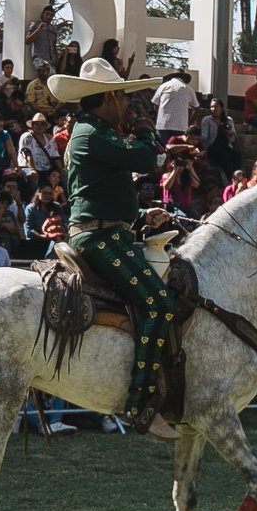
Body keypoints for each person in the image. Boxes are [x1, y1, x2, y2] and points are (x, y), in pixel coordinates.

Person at [48, 55, 181, 437]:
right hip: (100, 237)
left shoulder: (92, 132)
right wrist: (143, 127)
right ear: (107, 98)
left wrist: (140, 214)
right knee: (158, 302)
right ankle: (140, 404)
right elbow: (146, 157)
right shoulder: (92, 132)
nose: (127, 104)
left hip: (110, 230)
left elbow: (103, 191)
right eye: (122, 97)